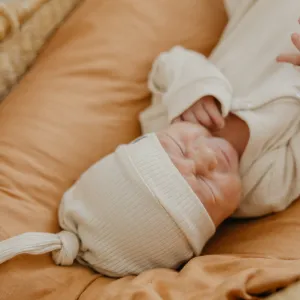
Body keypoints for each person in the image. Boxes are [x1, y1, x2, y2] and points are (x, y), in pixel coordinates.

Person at [0, 0, 299, 278]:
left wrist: (193, 87)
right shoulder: (265, 189)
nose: (206, 157)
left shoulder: (165, 117)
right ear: (213, 228)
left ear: (155, 139)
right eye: (207, 187)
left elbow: (171, 62)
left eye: (180, 148)